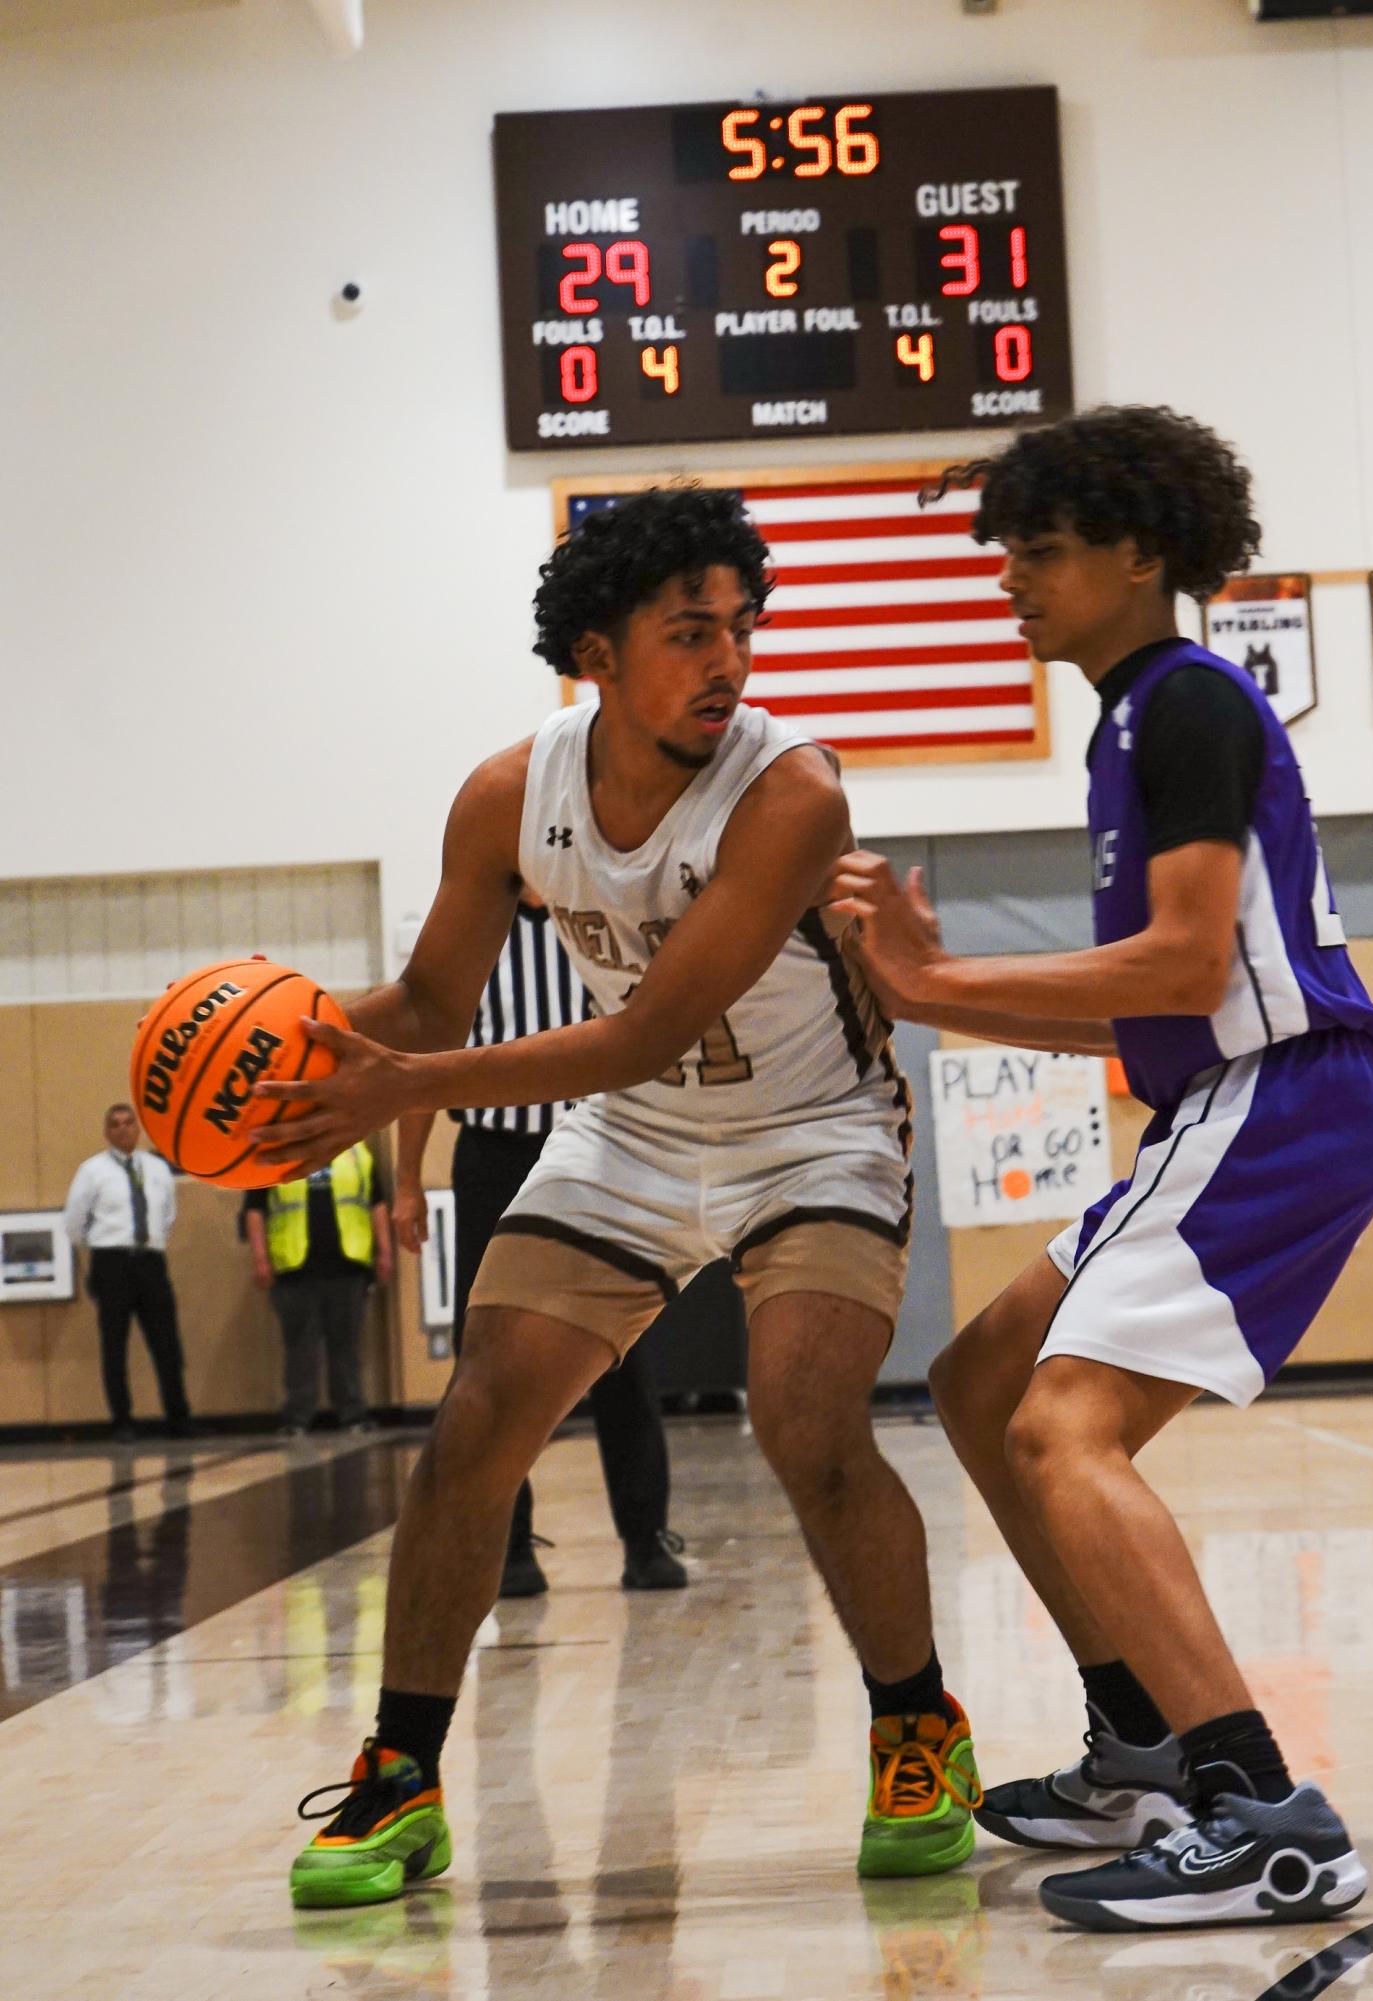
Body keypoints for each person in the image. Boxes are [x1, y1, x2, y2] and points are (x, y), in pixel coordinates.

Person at [258, 486, 982, 1909]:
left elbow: (645, 1023)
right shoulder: (504, 796)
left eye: (742, 626)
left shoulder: (790, 790)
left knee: (805, 1417)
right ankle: (399, 1780)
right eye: (689, 631)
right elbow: (418, 1001)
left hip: (814, 1130)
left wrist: (397, 1087)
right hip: (635, 1137)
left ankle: (917, 1725)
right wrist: (255, 1072)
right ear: (596, 649)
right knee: (477, 1422)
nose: (731, 659)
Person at [829, 406, 1373, 1933]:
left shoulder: (1188, 702)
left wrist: (931, 989)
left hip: (1273, 1104)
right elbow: (1161, 1001)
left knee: (1061, 1432)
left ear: (1142, 553)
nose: (1012, 578)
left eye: (1048, 550)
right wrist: (948, 988)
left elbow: (1190, 958)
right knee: (980, 1382)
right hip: (1226, 1102)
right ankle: (1138, 1742)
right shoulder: (1133, 715)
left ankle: (1264, 1809)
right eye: (1006, 549)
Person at [392, 899, 687, 1597]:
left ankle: (644, 1539)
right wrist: (407, 1178)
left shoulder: (595, 918)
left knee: (622, 1349)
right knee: (488, 1358)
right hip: (492, 1154)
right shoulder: (470, 935)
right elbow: (425, 1058)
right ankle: (510, 1542)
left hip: (595, 1148)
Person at [242, 1142, 392, 1435]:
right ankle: (296, 1418)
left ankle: (353, 1415)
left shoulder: (356, 1150)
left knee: (346, 1345)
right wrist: (260, 1258)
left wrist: (384, 1251)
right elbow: (255, 1209)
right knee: (300, 1347)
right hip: (295, 1267)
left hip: (348, 1264)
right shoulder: (277, 1151)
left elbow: (377, 1203)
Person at [63, 1102, 192, 1442]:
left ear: (138, 1129)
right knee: (114, 1345)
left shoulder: (156, 1168)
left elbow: (167, 1214)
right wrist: (98, 1247)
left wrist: (151, 1243)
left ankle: (178, 1419)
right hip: (112, 1262)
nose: (122, 1129)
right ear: (107, 1132)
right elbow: (74, 1222)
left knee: (166, 1343)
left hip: (150, 1261)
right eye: (115, 1124)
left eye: (128, 1123)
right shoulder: (92, 1171)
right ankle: (122, 1421)